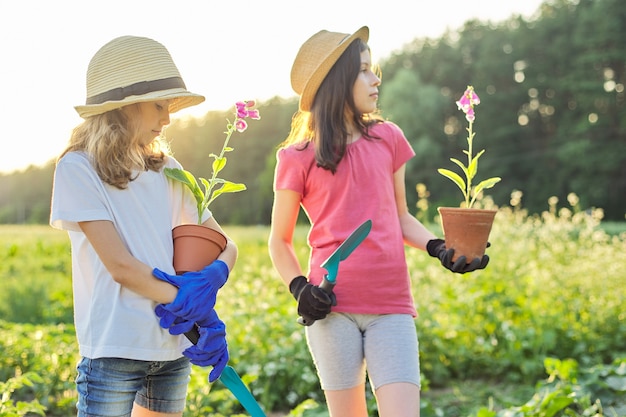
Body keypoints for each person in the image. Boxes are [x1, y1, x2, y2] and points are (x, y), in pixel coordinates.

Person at [268, 26, 490, 417]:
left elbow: (400, 217)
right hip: (330, 307)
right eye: (365, 71)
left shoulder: (387, 138)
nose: (376, 80)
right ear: (338, 82)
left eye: (375, 70)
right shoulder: (296, 157)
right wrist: (300, 287)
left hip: (391, 305)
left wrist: (439, 248)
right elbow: (279, 241)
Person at [50, 35, 234, 417]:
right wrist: (186, 301)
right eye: (158, 106)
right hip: (115, 349)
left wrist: (215, 277)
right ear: (125, 107)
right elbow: (120, 266)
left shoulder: (167, 169)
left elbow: (223, 244)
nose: (167, 119)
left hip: (171, 347)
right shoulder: (79, 168)